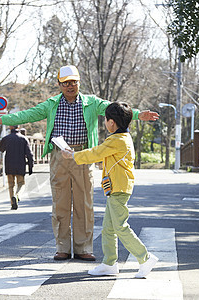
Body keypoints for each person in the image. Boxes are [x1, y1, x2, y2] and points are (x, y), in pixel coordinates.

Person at [0, 65, 158, 261]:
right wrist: (3, 120)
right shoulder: (51, 104)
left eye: (73, 82)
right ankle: (62, 247)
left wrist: (138, 114)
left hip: (84, 154)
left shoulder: (91, 102)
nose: (70, 86)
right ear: (59, 85)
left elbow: (115, 110)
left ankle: (84, 248)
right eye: (65, 83)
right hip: (59, 156)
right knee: (60, 202)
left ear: (79, 83)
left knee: (84, 202)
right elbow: (28, 114)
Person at [61, 102, 158, 278]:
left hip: (119, 188)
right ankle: (109, 263)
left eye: (106, 119)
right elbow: (98, 153)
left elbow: (96, 153)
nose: (105, 122)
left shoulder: (116, 140)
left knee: (120, 227)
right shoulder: (122, 138)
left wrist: (73, 155)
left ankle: (145, 257)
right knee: (108, 228)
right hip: (118, 187)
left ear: (111, 122)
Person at [0, 125, 34, 210]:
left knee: (11, 185)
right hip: (20, 165)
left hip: (9, 165)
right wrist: (31, 166)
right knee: (21, 184)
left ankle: (12, 202)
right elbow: (29, 154)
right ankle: (17, 196)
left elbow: (0, 148)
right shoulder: (24, 139)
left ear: (10, 128)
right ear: (19, 127)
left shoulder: (7, 138)